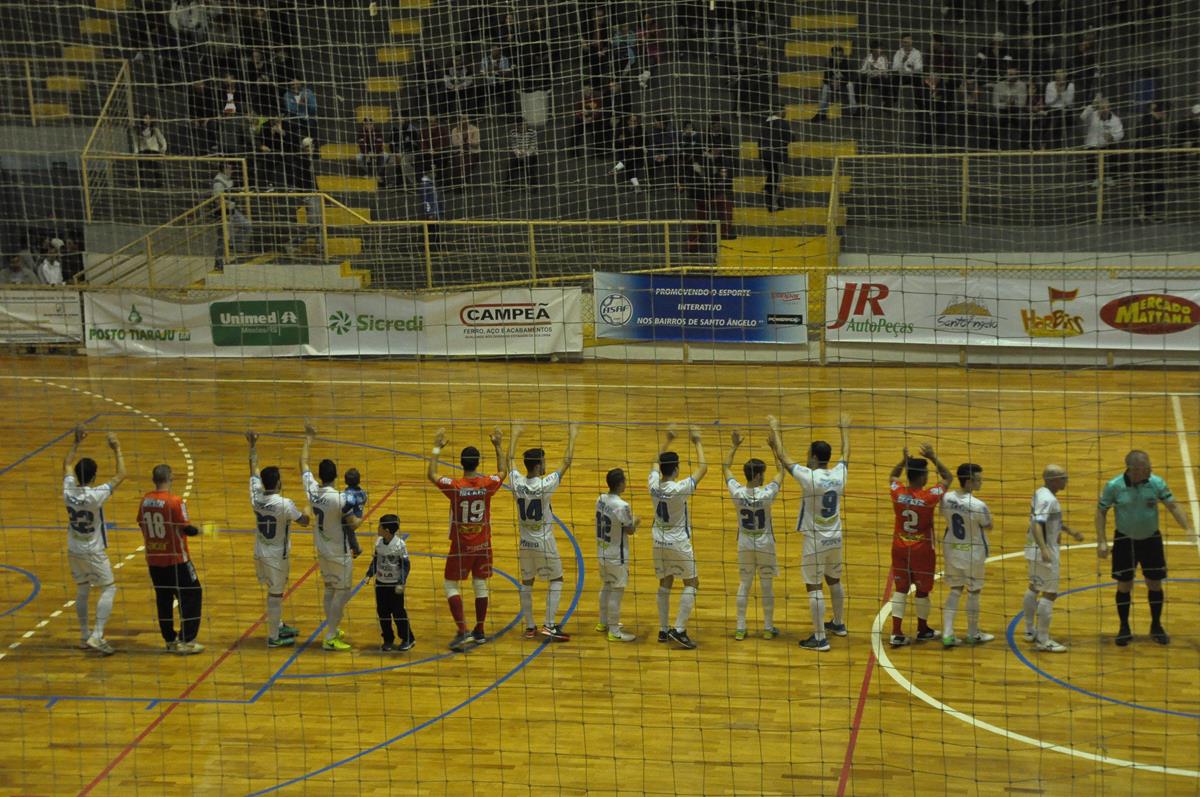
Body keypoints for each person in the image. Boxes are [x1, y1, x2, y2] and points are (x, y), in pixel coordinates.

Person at [768, 414, 851, 652]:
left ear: (814, 458)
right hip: (836, 538)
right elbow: (847, 454)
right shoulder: (839, 474)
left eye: (808, 454)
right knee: (834, 579)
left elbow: (785, 459)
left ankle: (819, 637)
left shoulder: (809, 476)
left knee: (814, 586)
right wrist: (845, 429)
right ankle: (839, 623)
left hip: (815, 541)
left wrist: (775, 429)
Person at [1096, 450, 1194, 646]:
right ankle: (1124, 627)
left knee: (1155, 584)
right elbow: (1101, 511)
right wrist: (1102, 540)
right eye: (1146, 467)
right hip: (1125, 541)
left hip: (1151, 540)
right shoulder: (1114, 486)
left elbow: (1173, 506)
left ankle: (1156, 626)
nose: (1150, 470)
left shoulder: (1156, 482)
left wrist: (1189, 527)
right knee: (1124, 585)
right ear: (1134, 469)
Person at [427, 427, 506, 652]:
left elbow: (431, 475)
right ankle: (479, 630)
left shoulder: (455, 486)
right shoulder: (486, 484)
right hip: (483, 544)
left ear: (461, 464)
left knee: (450, 584)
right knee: (480, 584)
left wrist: (437, 447)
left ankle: (463, 631)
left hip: (462, 546)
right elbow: (503, 471)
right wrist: (498, 445)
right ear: (478, 463)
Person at [508, 423, 580, 641]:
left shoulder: (517, 481)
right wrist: (573, 435)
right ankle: (549, 625)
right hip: (544, 542)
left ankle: (530, 626)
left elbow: (509, 461)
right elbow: (566, 463)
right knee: (556, 579)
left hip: (525, 544)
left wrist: (514, 434)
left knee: (526, 582)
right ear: (539, 466)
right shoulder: (545, 484)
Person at [61, 427, 126, 655]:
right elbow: (120, 476)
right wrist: (116, 448)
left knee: (82, 589)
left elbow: (66, 464)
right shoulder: (95, 495)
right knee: (109, 588)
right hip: (93, 550)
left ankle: (84, 635)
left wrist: (76, 442)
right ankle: (97, 635)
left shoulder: (68, 490)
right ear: (94, 477)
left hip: (73, 549)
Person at [300, 422, 363, 652]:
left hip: (322, 549)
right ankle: (330, 635)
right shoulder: (340, 499)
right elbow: (353, 525)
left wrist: (309, 438)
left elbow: (303, 464)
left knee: (329, 589)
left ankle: (332, 628)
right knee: (343, 591)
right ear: (336, 476)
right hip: (339, 551)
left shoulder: (312, 490)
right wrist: (361, 512)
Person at [247, 431, 310, 648]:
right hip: (276, 557)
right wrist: (308, 507)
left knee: (275, 590)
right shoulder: (284, 504)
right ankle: (273, 637)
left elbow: (253, 471)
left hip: (260, 552)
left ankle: (279, 624)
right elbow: (304, 521)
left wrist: (252, 446)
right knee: (275, 593)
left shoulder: (256, 496)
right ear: (279, 482)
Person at [887, 444, 952, 647]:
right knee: (922, 591)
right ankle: (922, 630)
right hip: (922, 551)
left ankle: (896, 633)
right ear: (923, 477)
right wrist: (933, 457)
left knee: (900, 589)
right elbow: (948, 477)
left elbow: (893, 478)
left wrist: (902, 462)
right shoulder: (929, 497)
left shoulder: (898, 493)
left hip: (899, 548)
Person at [649, 426, 708, 649]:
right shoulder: (678, 488)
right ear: (676, 470)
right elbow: (703, 468)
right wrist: (697, 441)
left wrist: (667, 440)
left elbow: (654, 463)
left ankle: (663, 630)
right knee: (692, 583)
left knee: (665, 582)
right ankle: (679, 629)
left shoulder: (653, 485)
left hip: (658, 541)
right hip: (678, 542)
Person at [721, 431, 783, 642]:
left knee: (744, 584)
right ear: (757, 476)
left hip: (744, 544)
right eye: (762, 474)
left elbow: (726, 468)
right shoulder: (766, 494)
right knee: (766, 585)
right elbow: (781, 471)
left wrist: (734, 446)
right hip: (765, 545)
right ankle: (767, 628)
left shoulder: (737, 492)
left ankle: (740, 627)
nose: (764, 477)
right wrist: (774, 448)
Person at [136, 464, 204, 654]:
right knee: (192, 594)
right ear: (171, 477)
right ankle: (187, 641)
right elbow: (186, 529)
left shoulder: (145, 501)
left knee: (163, 599)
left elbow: (141, 523)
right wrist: (200, 530)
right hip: (177, 560)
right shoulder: (175, 501)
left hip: (154, 560)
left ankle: (170, 640)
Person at [1023, 464, 1083, 653]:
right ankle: (1043, 640)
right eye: (1063, 477)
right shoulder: (1049, 499)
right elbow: (1036, 524)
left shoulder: (1040, 492)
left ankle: (1029, 630)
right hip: (1044, 552)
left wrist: (1069, 531)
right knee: (1049, 594)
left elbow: (1048, 520)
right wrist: (1044, 549)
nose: (1066, 480)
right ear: (1052, 479)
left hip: (1032, 549)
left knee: (1034, 587)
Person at [939, 463, 995, 647]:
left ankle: (947, 634)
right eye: (978, 480)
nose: (981, 483)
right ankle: (972, 633)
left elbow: (944, 517)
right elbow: (988, 525)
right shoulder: (978, 505)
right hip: (973, 553)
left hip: (952, 549)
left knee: (955, 590)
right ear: (969, 481)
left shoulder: (945, 498)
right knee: (974, 591)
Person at [595, 467, 639, 642]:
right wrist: (636, 520)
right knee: (617, 591)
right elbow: (630, 529)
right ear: (621, 484)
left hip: (602, 552)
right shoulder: (622, 505)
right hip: (616, 556)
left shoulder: (600, 499)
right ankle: (614, 631)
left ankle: (602, 622)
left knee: (606, 585)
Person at [365, 514, 414, 652]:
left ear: (386, 530)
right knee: (382, 612)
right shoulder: (379, 542)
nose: (377, 528)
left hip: (394, 585)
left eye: (380, 526)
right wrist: (369, 574)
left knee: (398, 613)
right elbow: (376, 560)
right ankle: (388, 638)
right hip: (381, 583)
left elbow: (405, 565)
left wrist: (401, 582)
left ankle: (408, 638)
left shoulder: (399, 545)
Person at [760, 109, 790, 212]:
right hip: (777, 155)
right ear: (780, 111)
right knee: (776, 178)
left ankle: (767, 188)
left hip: (765, 154)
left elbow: (760, 140)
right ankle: (773, 204)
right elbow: (788, 137)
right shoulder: (782, 123)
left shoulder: (764, 123)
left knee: (771, 173)